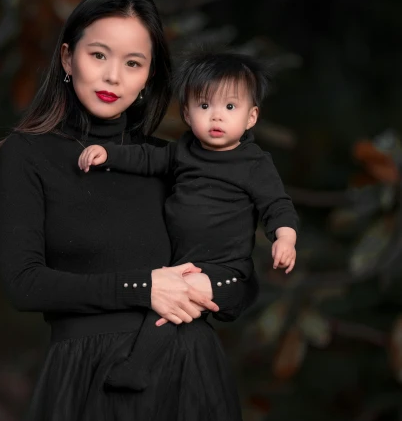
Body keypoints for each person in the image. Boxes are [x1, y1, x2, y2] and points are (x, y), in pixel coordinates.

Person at [0, 0, 260, 421]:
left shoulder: (176, 161)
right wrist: (144, 287)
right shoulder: (28, 155)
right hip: (82, 387)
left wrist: (211, 283)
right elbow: (25, 284)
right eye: (98, 55)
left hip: (182, 387)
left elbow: (238, 279)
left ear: (150, 73)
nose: (112, 76)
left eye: (133, 62)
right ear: (66, 57)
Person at [78, 51, 299, 392]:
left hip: (227, 272)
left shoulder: (254, 163)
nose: (216, 117)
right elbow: (148, 158)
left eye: (230, 107)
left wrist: (285, 239)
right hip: (183, 265)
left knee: (180, 298)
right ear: (186, 113)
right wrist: (109, 155)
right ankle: (152, 369)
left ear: (251, 117)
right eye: (205, 106)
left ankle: (137, 369)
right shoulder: (183, 150)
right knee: (169, 298)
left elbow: (277, 205)